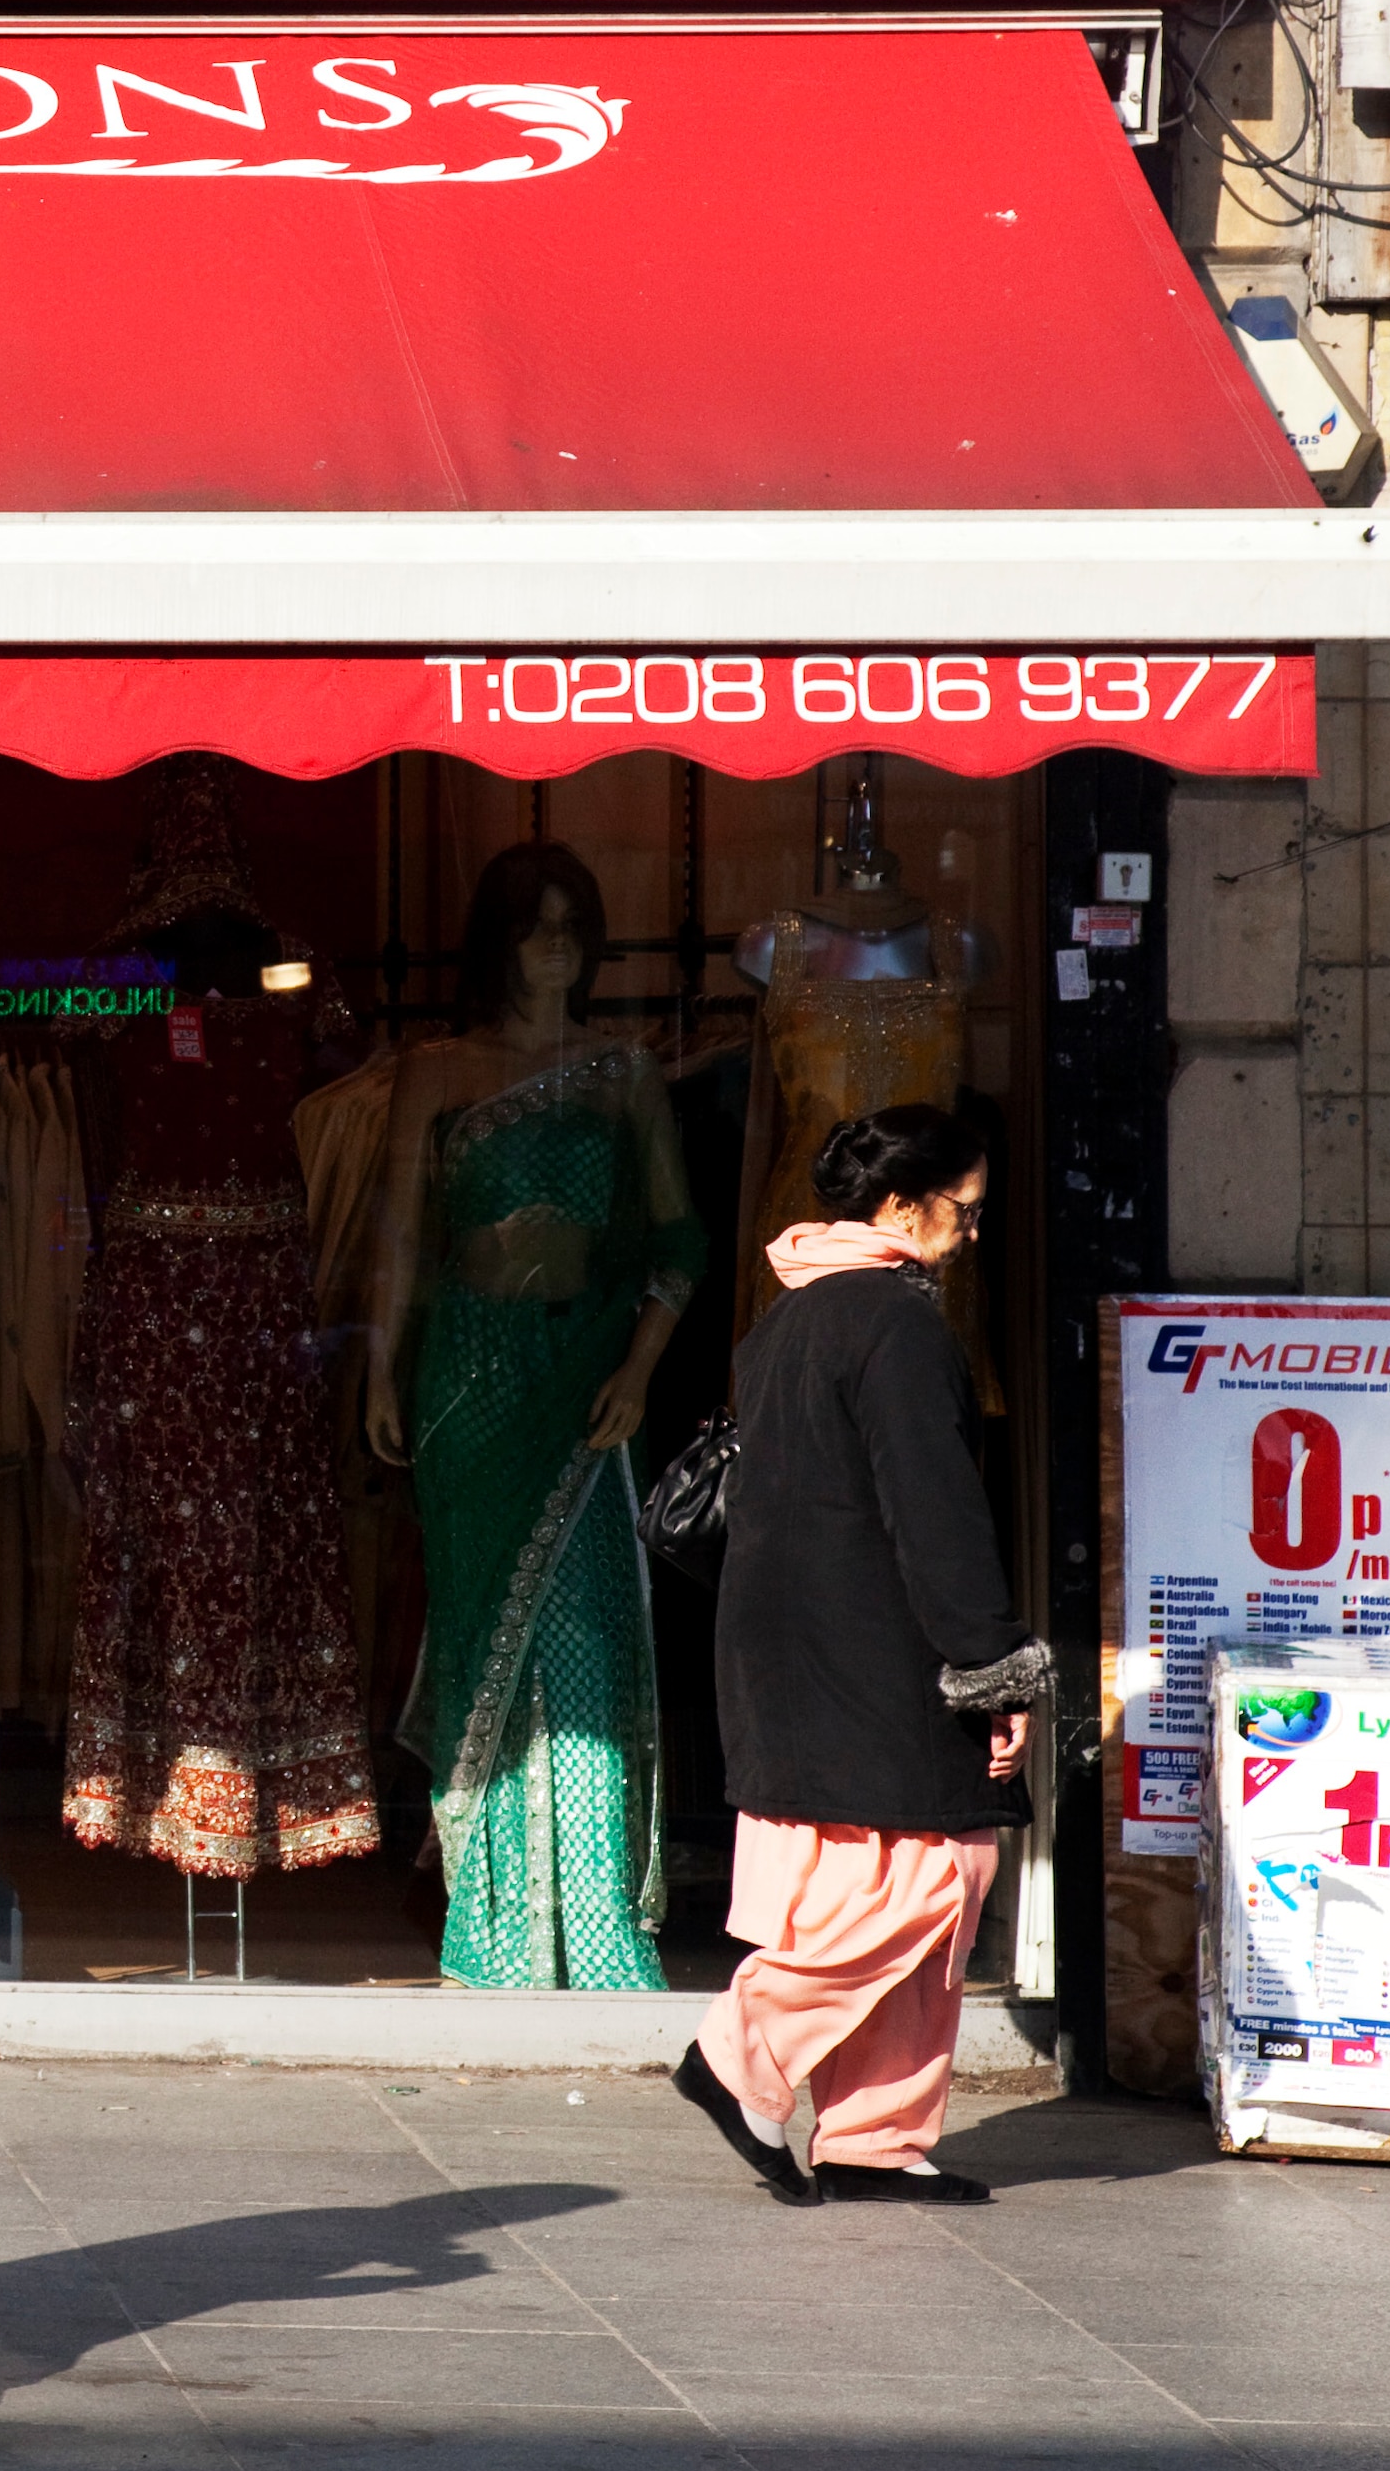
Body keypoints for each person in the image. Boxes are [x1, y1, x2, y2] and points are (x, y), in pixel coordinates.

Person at [673, 1102, 1048, 2209]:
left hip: (790, 1644)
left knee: (861, 1876)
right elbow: (933, 1515)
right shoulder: (893, 1327)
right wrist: (989, 1662)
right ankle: (739, 2050)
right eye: (963, 1210)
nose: (971, 1232)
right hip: (870, 1648)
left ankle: (870, 2140)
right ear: (899, 1205)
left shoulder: (786, 1318)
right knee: (936, 1877)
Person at [366, 846, 700, 1991]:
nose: (553, 946)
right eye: (532, 927)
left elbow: (676, 1241)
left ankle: (598, 1926)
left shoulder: (621, 1073)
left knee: (589, 1642)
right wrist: (377, 1371)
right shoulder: (437, 1071)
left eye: (571, 926)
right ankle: (494, 1928)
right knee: (478, 1644)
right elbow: (401, 1241)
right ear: (496, 942)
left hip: (586, 1379)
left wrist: (641, 1367)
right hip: (468, 1382)